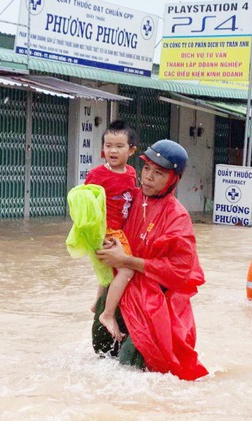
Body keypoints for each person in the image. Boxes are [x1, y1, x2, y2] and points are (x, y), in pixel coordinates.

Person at [94, 139, 209, 381]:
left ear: (173, 180)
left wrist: (126, 260)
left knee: (130, 371)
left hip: (152, 305)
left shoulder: (178, 218)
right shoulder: (130, 199)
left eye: (158, 173)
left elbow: (178, 273)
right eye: (146, 169)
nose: (148, 177)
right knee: (100, 355)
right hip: (118, 293)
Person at [85, 120, 138, 341]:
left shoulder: (132, 172)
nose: (112, 151)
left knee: (109, 272)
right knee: (127, 270)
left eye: (119, 146)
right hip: (106, 233)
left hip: (121, 231)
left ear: (131, 150)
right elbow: (84, 206)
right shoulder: (97, 175)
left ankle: (98, 302)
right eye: (108, 146)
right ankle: (107, 314)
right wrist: (95, 238)